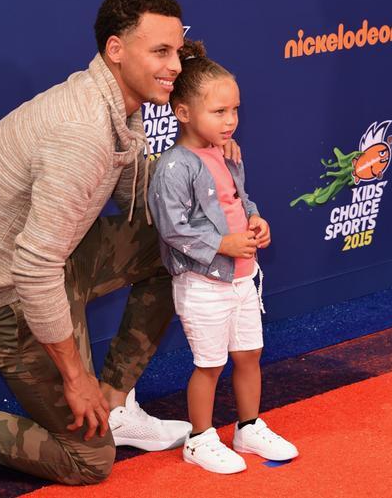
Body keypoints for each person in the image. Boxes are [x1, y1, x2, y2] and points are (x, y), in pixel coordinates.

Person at [0, 0, 197, 485]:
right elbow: (33, 269)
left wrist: (205, 160)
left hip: (46, 260)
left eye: (178, 50)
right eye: (161, 52)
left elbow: (139, 203)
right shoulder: (81, 132)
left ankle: (115, 403)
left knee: (185, 243)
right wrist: (74, 377)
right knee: (88, 461)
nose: (176, 66)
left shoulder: (117, 102)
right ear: (115, 50)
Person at [148, 40, 299, 474]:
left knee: (249, 353)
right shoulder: (175, 167)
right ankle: (200, 439)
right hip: (202, 283)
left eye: (234, 110)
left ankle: (247, 427)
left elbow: (239, 200)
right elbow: (173, 227)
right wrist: (222, 244)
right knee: (209, 364)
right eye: (219, 112)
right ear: (183, 113)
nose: (230, 120)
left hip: (243, 278)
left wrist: (255, 220)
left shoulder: (228, 154)